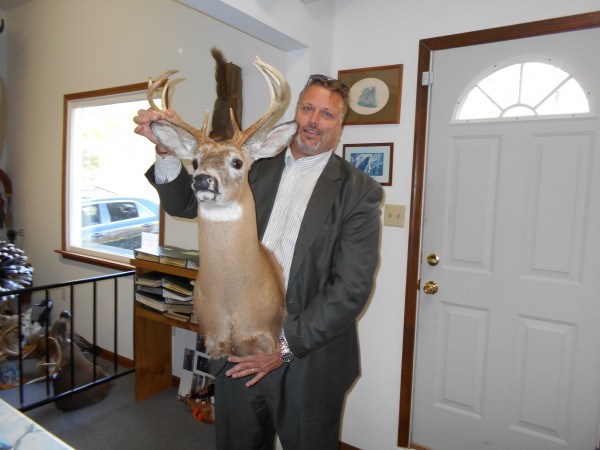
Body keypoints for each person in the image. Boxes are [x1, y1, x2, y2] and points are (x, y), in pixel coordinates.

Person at [133, 73, 383, 450]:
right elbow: (184, 202)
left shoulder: (357, 191)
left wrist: (283, 347)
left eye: (328, 114)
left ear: (341, 124)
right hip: (237, 350)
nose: (314, 120)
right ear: (295, 113)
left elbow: (351, 289)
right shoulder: (250, 163)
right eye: (308, 109)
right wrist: (166, 152)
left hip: (308, 357)